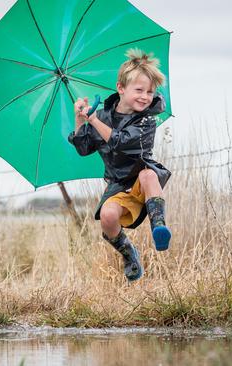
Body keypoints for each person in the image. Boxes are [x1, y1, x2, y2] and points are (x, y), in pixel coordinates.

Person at [67, 49, 171, 282]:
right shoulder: (102, 115)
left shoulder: (147, 119)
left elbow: (121, 142)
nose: (145, 96)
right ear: (121, 88)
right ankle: (129, 254)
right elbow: (84, 148)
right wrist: (80, 119)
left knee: (148, 176)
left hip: (143, 180)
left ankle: (159, 227)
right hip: (117, 185)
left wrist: (93, 121)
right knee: (107, 216)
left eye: (150, 92)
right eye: (139, 90)